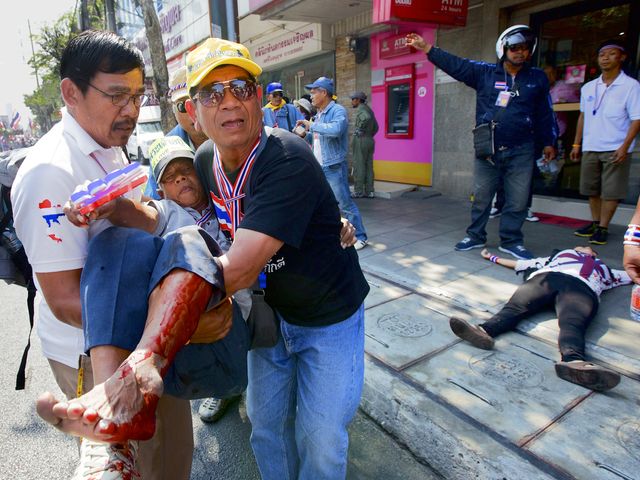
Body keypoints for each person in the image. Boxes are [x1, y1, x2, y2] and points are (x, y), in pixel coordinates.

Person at [11, 30, 193, 479]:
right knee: (143, 463)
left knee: (172, 451)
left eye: (136, 96)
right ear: (71, 92)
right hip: (95, 355)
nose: (130, 110)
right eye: (116, 95)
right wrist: (174, 322)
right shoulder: (51, 171)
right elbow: (66, 300)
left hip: (144, 345)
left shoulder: (107, 145)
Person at [184, 38, 369, 479]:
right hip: (267, 319)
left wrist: (158, 327)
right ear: (193, 112)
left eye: (240, 88)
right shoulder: (205, 158)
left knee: (320, 437)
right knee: (265, 428)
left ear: (260, 99)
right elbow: (182, 221)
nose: (228, 102)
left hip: (328, 318)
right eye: (212, 93)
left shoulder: (288, 157)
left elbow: (242, 266)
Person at [407, 27, 556, 260]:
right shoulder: (485, 73)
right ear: (503, 49)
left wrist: (549, 141)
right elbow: (456, 65)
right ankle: (475, 235)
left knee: (517, 199)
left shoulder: (536, 78)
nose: (520, 53)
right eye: (514, 48)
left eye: (524, 49)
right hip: (488, 149)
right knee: (482, 196)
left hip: (522, 149)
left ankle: (512, 240)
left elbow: (545, 112)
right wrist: (427, 48)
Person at [450, 246, 629, 391]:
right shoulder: (558, 256)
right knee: (514, 308)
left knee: (573, 323)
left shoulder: (608, 271)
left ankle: (574, 363)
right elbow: (520, 264)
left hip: (582, 288)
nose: (585, 247)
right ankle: (483, 331)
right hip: (546, 278)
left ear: (594, 254)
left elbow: (632, 275)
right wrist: (492, 257)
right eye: (582, 246)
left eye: (590, 248)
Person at [570, 40, 640, 246]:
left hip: (616, 146)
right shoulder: (590, 87)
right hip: (591, 145)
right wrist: (576, 144)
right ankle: (594, 222)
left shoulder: (631, 86)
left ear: (622, 57)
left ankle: (603, 227)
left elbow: (637, 118)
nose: (606, 58)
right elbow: (583, 116)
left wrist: (625, 146)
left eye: (611, 54)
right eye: (602, 54)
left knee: (611, 191)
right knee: (591, 188)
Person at [297, 76, 369, 250]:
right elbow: (320, 139)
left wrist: (311, 125)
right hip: (320, 166)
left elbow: (336, 130)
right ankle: (337, 234)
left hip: (333, 167)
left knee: (345, 203)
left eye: (313, 92)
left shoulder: (337, 111)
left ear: (324, 93)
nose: (311, 96)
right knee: (326, 204)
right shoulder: (320, 114)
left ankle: (360, 236)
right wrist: (304, 134)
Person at [144, 65, 209, 200]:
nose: (194, 112)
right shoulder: (163, 151)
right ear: (174, 111)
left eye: (200, 100)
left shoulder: (232, 133)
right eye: (183, 106)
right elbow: (154, 201)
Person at [350, 91, 379, 199]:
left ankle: (358, 191)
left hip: (361, 139)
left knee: (359, 165)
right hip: (369, 140)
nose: (352, 101)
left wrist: (360, 129)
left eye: (353, 99)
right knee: (368, 166)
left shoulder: (361, 109)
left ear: (358, 100)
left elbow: (365, 118)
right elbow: (376, 127)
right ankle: (370, 191)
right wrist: (369, 134)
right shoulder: (369, 110)